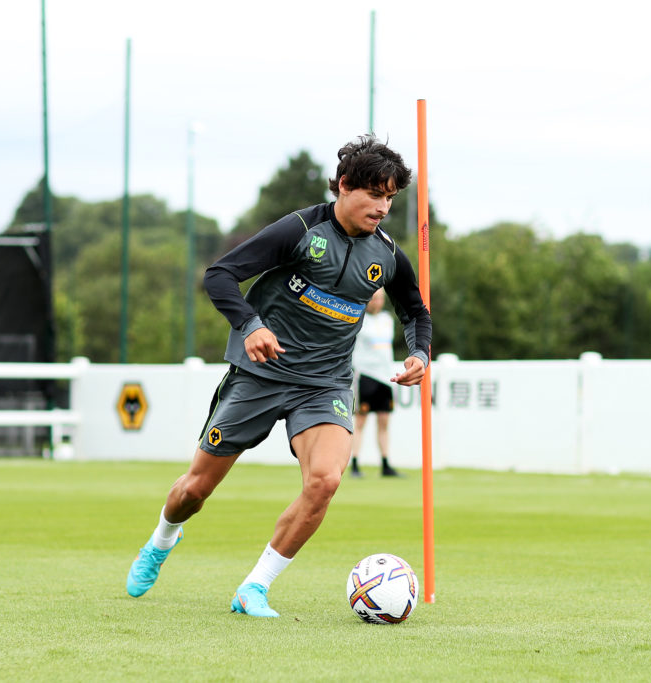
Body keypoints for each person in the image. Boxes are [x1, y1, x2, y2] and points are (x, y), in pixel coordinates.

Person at [125, 134, 432, 618]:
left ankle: (254, 588)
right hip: (260, 375)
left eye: (391, 197)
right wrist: (251, 326)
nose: (383, 207)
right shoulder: (299, 230)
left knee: (325, 482)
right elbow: (220, 275)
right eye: (374, 194)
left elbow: (415, 312)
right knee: (195, 491)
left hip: (325, 384)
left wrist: (420, 353)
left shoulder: (388, 255)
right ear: (345, 186)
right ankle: (163, 538)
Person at [350, 288, 401, 477]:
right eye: (373, 298)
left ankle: (385, 463)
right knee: (361, 421)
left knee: (384, 421)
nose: (377, 302)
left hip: (385, 377)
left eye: (380, 298)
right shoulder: (358, 319)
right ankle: (355, 464)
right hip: (366, 375)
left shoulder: (388, 320)